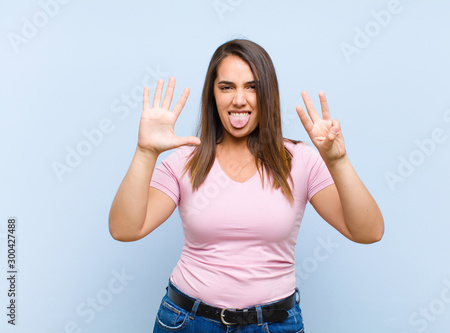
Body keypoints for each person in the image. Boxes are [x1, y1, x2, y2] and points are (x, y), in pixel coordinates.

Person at [108, 39, 384, 332]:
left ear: (268, 94)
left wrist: (337, 160)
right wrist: (145, 152)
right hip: (188, 322)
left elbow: (368, 231)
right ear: (212, 94)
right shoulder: (185, 160)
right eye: (226, 87)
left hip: (273, 324)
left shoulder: (299, 160)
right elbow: (125, 229)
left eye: (252, 87)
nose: (239, 99)